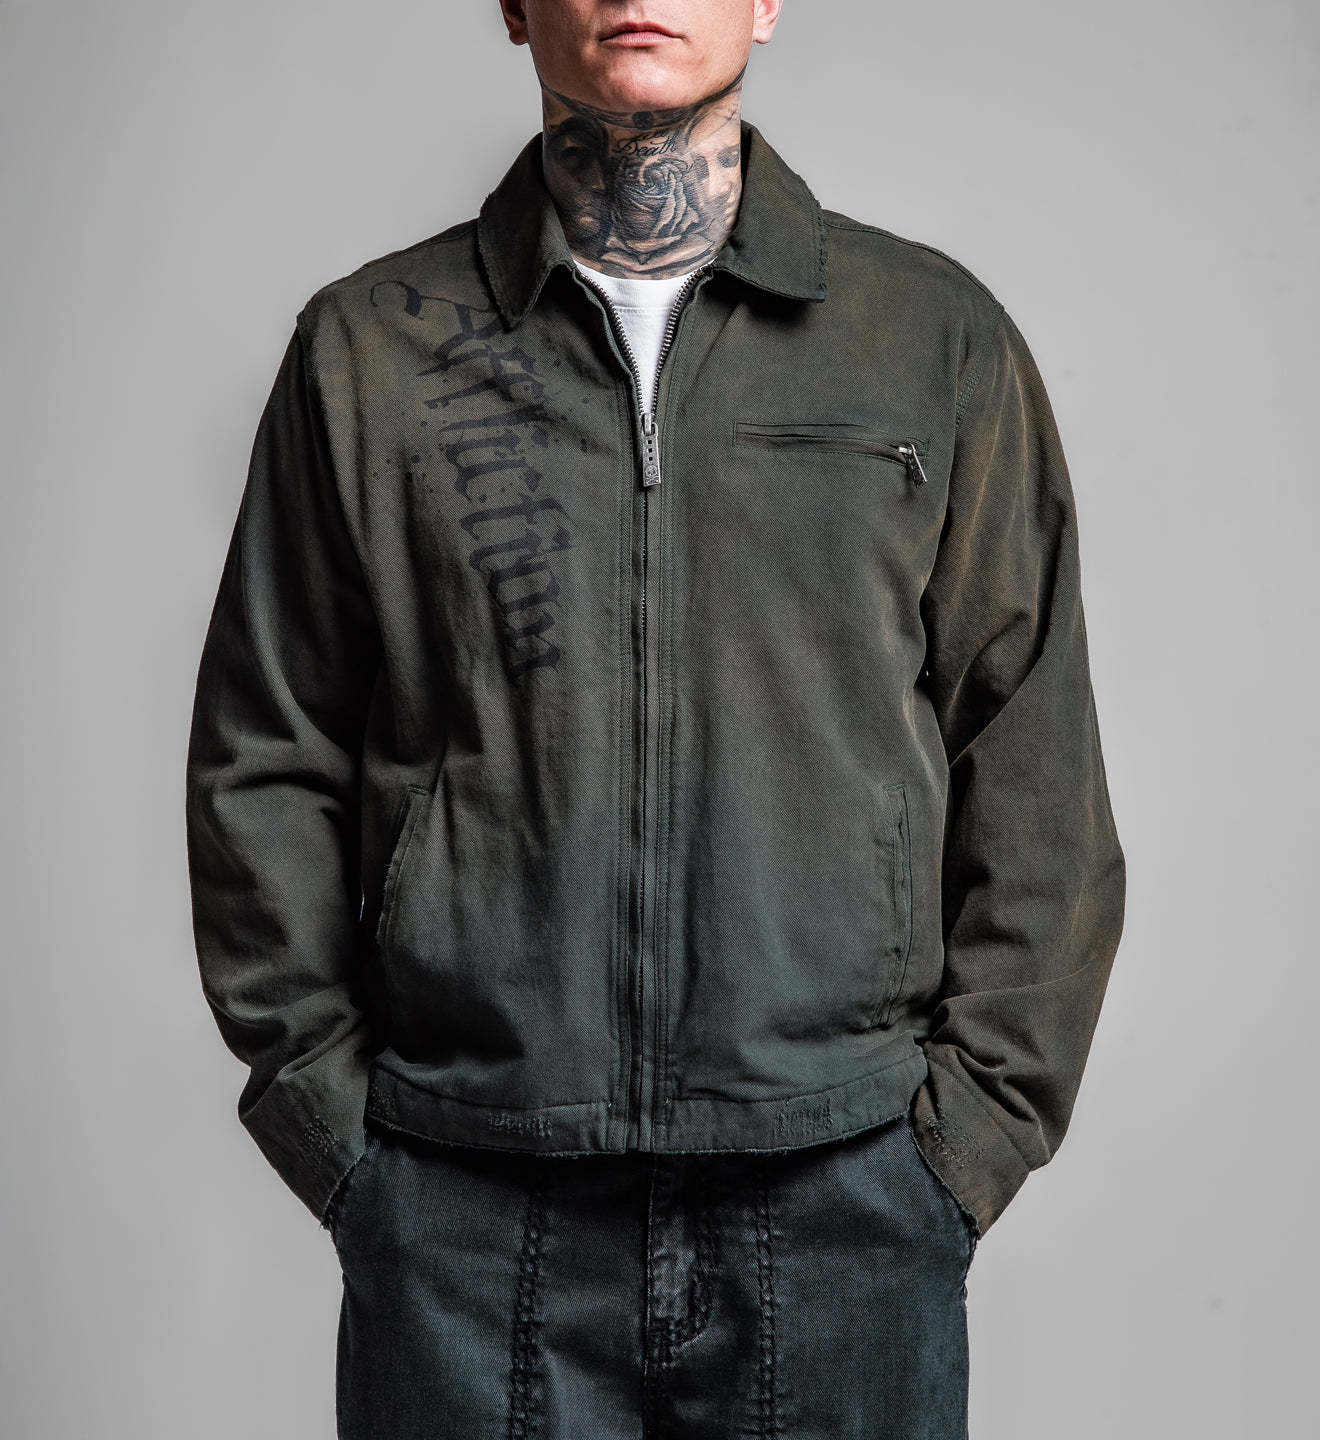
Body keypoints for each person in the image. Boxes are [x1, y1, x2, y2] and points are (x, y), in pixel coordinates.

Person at [184, 1, 1127, 1435]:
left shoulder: (928, 342)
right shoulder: (368, 352)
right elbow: (266, 751)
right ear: (513, 5)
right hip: (464, 1215)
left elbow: (1031, 753)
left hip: (843, 1205)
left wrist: (966, 1147)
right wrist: (341, 1142)